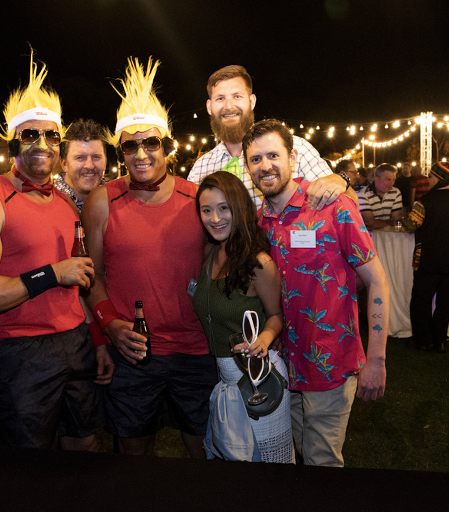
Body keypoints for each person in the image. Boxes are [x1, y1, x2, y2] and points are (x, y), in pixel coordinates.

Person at [0, 55, 110, 451]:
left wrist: (98, 339)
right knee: (26, 466)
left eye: (52, 135)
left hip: (74, 343)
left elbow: (82, 280)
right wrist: (52, 273)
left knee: (85, 446)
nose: (42, 144)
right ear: (13, 143)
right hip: (17, 352)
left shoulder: (64, 202)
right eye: (30, 135)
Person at [83, 57, 216, 457]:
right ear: (121, 151)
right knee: (134, 456)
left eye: (151, 142)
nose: (141, 153)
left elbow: (222, 269)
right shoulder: (102, 201)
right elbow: (92, 275)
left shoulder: (198, 200)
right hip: (135, 353)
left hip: (196, 351)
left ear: (167, 146)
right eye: (130, 145)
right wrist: (110, 327)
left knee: (206, 449)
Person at [244, 118, 389, 467]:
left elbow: (378, 281)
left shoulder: (330, 207)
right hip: (283, 364)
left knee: (322, 461)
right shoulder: (260, 222)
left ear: (292, 157)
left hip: (330, 363)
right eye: (255, 159)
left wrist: (377, 360)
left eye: (273, 155)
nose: (265, 166)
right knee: (298, 455)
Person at [191, 171, 291, 463]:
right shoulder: (210, 253)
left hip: (260, 379)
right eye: (206, 210)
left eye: (224, 208)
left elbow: (275, 316)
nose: (215, 218)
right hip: (225, 380)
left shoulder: (258, 263)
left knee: (269, 466)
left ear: (240, 208)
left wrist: (264, 338)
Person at [187, 65, 353, 210]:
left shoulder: (295, 148)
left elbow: (347, 204)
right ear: (209, 107)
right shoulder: (201, 168)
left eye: (237, 96)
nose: (229, 106)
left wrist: (341, 180)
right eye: (220, 98)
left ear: (252, 101)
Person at [406, 162, 449, 353]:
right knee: (444, 302)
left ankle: (423, 341)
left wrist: (404, 218)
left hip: (429, 258)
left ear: (440, 179)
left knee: (421, 300)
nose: (428, 180)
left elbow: (411, 224)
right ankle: (440, 340)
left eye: (431, 177)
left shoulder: (426, 200)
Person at [54, 118, 109, 213]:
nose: (90, 165)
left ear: (105, 162)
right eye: (80, 158)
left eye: (96, 157)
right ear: (64, 164)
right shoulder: (48, 203)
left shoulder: (116, 200)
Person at [358, 163, 403, 230]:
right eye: (388, 179)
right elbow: (370, 222)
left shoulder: (396, 192)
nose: (392, 183)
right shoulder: (363, 194)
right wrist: (390, 222)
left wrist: (378, 223)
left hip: (390, 236)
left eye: (394, 180)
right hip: (371, 237)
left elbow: (397, 220)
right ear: (376, 179)